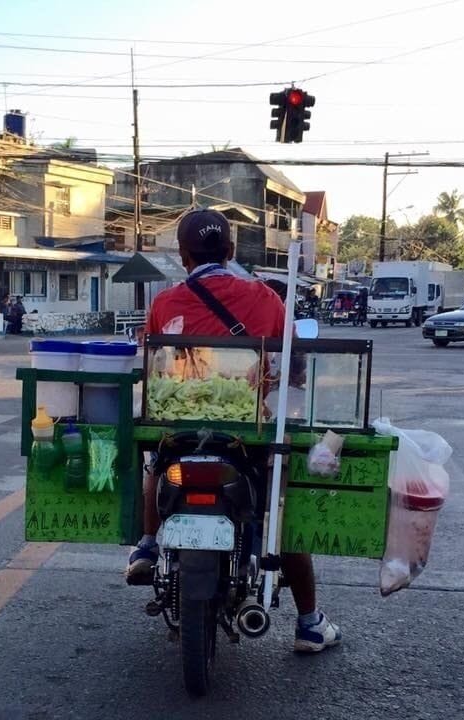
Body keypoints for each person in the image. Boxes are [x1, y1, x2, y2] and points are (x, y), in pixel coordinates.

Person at [126, 207, 341, 653]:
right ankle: (308, 623)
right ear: (230, 250)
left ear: (183, 255)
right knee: (281, 508)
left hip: (179, 432)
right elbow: (294, 368)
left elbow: (153, 367)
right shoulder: (266, 299)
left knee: (156, 461)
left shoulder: (164, 303)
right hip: (249, 436)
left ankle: (147, 544)